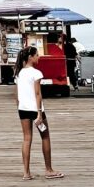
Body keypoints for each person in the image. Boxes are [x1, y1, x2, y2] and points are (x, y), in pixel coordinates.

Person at [14, 47, 63, 180]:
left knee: (26, 138)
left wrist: (19, 106)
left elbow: (17, 94)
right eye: (36, 55)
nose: (38, 57)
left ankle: (26, 172)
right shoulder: (36, 73)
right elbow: (37, 94)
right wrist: (39, 113)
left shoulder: (19, 73)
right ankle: (48, 169)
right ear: (30, 57)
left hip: (23, 108)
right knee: (45, 136)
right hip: (35, 109)